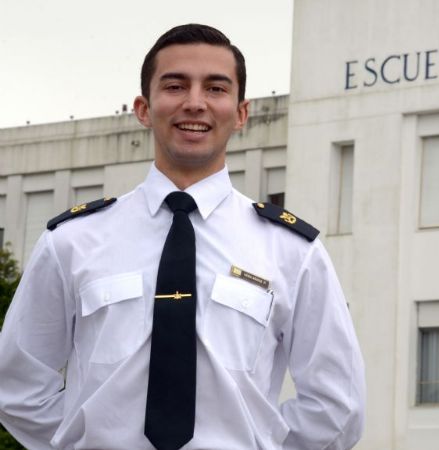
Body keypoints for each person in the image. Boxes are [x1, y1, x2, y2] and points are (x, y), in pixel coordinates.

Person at [0, 24, 365, 449]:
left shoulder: (291, 252)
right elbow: (18, 387)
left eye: (215, 88)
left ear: (241, 112)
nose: (195, 103)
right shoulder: (73, 242)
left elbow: (338, 405)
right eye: (175, 86)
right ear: (143, 107)